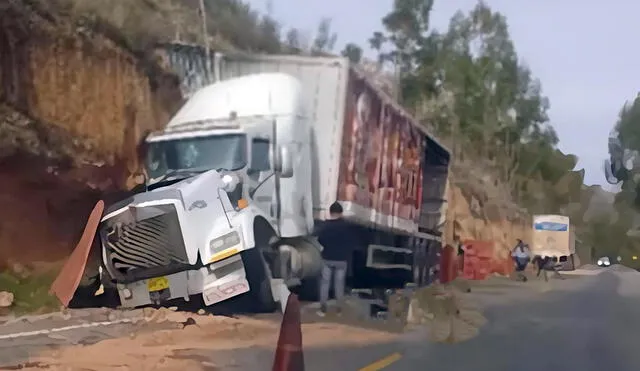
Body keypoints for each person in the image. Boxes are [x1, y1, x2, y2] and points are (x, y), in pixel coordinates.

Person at [315, 201, 358, 317]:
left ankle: (323, 309)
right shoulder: (347, 227)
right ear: (341, 212)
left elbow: (320, 240)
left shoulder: (325, 226)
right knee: (339, 284)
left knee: (325, 283)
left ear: (330, 212)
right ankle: (339, 310)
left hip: (327, 258)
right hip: (342, 260)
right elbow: (352, 242)